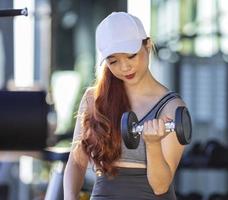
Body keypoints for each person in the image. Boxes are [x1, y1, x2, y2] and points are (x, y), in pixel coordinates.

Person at [63, 11, 188, 200]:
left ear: (147, 45)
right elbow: (77, 162)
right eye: (114, 61)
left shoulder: (171, 108)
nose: (124, 67)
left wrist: (152, 144)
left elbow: (161, 186)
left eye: (131, 56)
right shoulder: (94, 99)